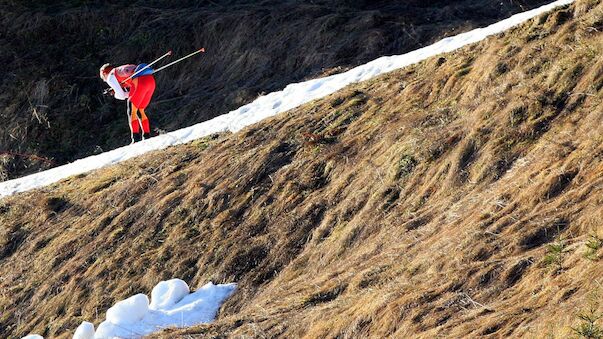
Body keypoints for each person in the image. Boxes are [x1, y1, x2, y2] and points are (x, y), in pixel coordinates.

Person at [99, 63, 156, 142]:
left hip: (140, 81)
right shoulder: (120, 71)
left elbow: (122, 95)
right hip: (151, 81)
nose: (104, 80)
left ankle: (135, 138)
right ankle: (146, 135)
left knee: (131, 110)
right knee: (140, 110)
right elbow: (133, 90)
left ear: (105, 73)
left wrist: (115, 94)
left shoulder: (110, 77)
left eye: (103, 78)